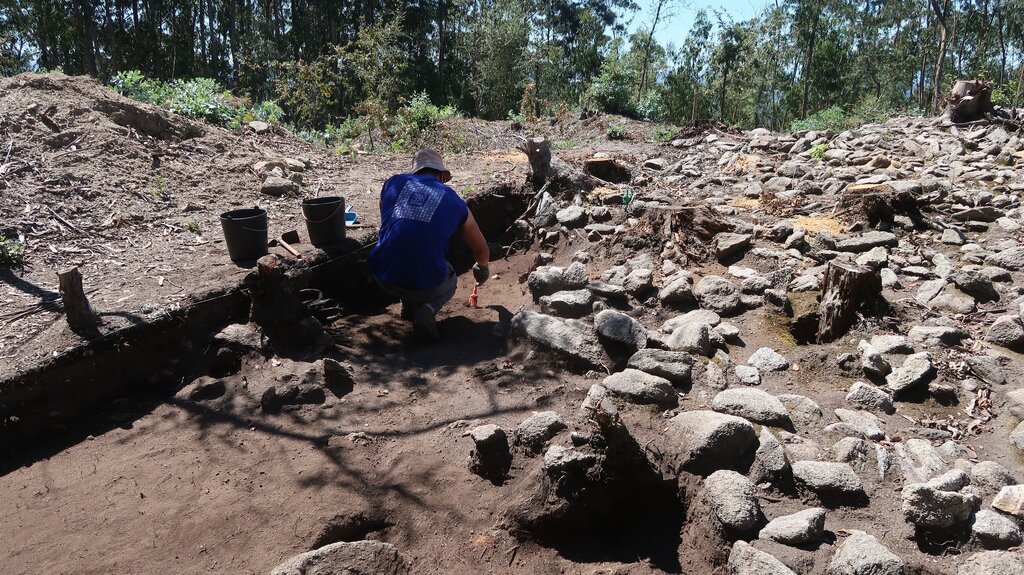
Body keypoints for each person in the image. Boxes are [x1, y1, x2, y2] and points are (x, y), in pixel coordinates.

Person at [368, 148, 490, 341]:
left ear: (414, 172)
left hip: (382, 275)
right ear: (442, 175)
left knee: (407, 247)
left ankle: (409, 307)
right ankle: (428, 309)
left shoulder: (391, 183)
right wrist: (482, 267)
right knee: (448, 273)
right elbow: (481, 250)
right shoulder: (454, 201)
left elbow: (387, 223)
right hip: (424, 284)